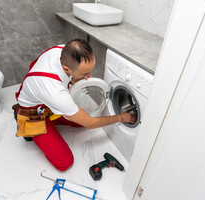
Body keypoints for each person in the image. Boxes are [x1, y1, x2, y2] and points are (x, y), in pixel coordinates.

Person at [14, 39, 136, 171]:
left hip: (45, 100)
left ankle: (54, 115)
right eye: (84, 74)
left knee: (80, 122)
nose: (89, 77)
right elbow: (90, 123)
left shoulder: (62, 51)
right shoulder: (55, 91)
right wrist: (120, 118)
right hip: (33, 114)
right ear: (66, 69)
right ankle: (22, 120)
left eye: (90, 71)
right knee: (64, 163)